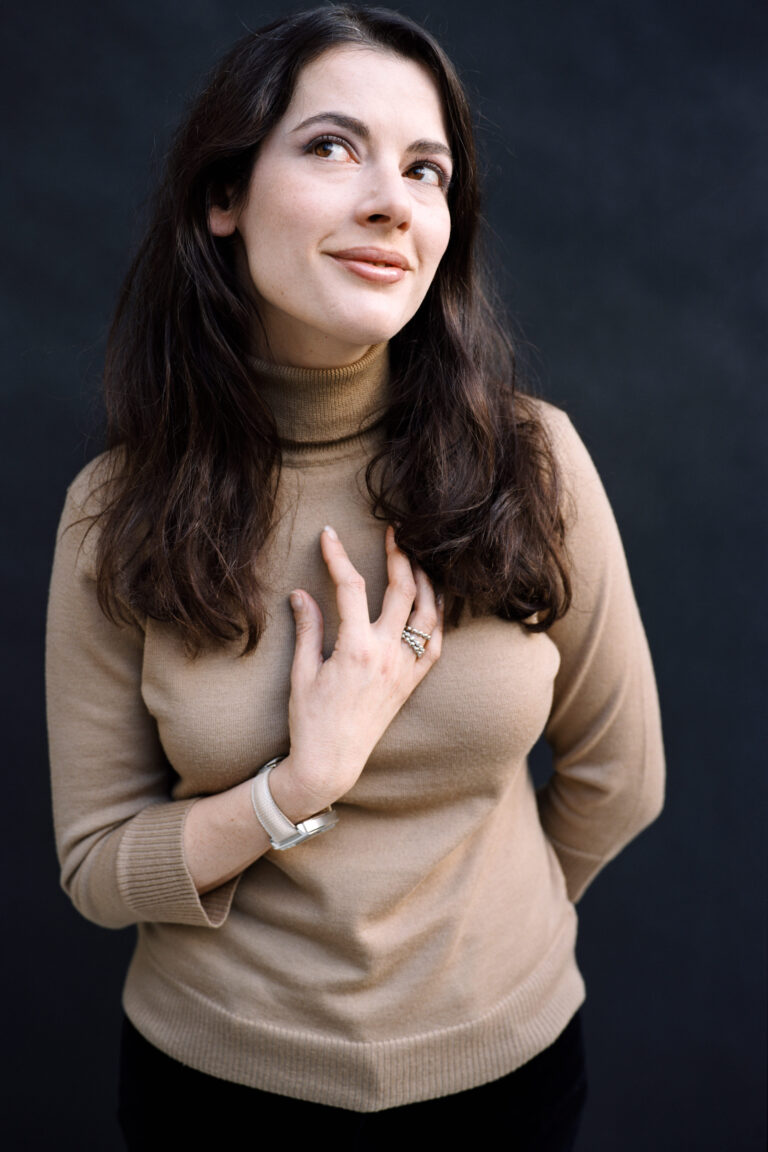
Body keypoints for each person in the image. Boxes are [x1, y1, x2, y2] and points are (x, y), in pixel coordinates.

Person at [46, 6, 664, 1149]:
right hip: (213, 1092)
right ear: (221, 198)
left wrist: (479, 963)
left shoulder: (534, 461)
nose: (392, 199)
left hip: (508, 1079)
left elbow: (622, 778)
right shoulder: (113, 511)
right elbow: (94, 865)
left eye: (425, 169)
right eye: (333, 147)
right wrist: (295, 788)